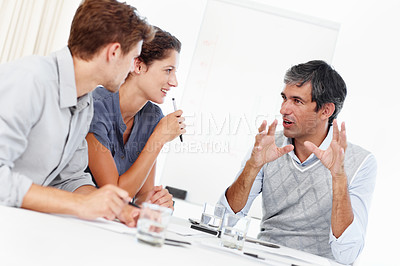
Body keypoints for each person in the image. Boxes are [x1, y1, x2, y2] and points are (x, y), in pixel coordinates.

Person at [0, 0, 155, 226]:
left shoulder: (84, 101)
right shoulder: (30, 80)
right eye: (133, 58)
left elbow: (70, 178)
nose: (133, 68)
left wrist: (115, 207)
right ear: (113, 52)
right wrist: (80, 205)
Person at [218, 60, 376, 265]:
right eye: (284, 98)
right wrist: (252, 165)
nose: (284, 109)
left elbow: (347, 255)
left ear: (326, 110)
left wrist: (338, 177)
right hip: (263, 258)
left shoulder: (360, 161)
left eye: (297, 101)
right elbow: (224, 220)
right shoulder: (268, 144)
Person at [86, 27, 185, 209]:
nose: (174, 82)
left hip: (112, 222)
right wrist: (159, 138)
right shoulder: (96, 107)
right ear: (138, 66)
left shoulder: (153, 117)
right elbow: (117, 193)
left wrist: (156, 202)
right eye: (168, 70)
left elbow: (141, 195)